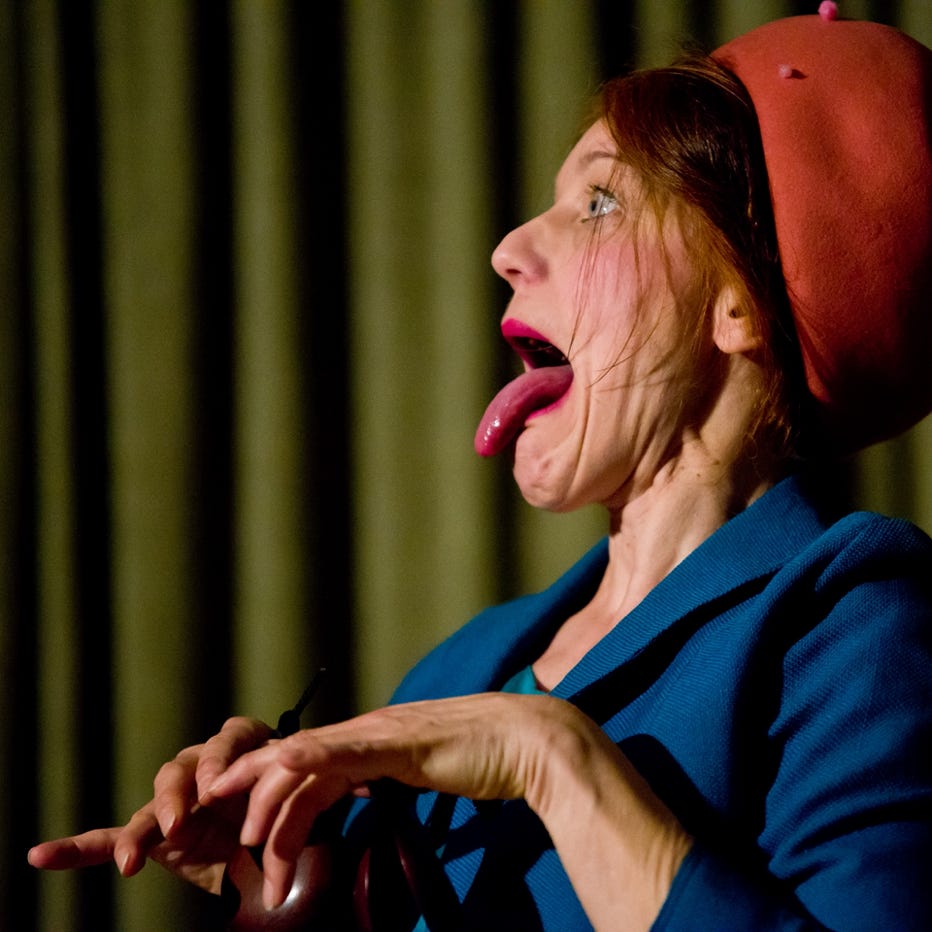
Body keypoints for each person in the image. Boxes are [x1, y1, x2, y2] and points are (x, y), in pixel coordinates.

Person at [28, 8, 932, 930]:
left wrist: (552, 757)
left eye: (600, 203)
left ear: (742, 302)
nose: (508, 249)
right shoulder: (463, 666)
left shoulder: (856, 619)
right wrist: (288, 862)